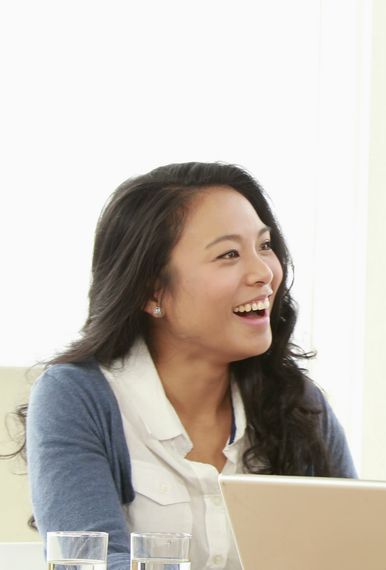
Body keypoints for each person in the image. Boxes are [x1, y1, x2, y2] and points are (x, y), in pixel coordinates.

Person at [13, 162, 356, 570]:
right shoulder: (76, 398)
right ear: (150, 290)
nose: (264, 273)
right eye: (229, 254)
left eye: (264, 246)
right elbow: (91, 562)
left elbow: (355, 551)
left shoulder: (299, 404)